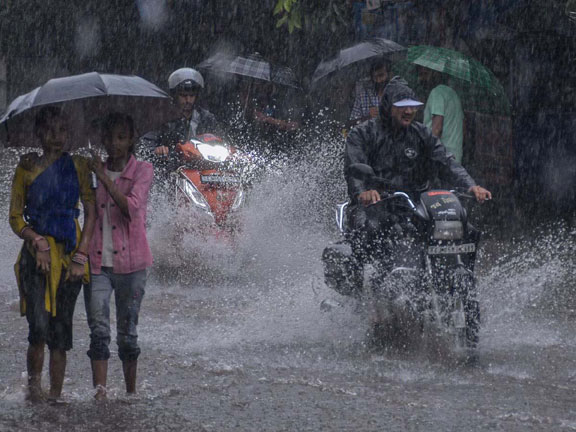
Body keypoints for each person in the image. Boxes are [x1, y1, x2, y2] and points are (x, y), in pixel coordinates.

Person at [344, 77, 490, 285]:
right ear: (388, 106)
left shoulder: (421, 133)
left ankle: (460, 280)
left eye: (412, 106)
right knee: (370, 231)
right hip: (376, 204)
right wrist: (363, 191)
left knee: (467, 230)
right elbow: (354, 169)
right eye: (402, 106)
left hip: (415, 204)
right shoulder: (363, 133)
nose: (409, 111)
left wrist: (471, 185)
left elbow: (446, 162)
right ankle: (363, 290)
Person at [9, 106, 96, 402]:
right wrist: (37, 241)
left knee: (61, 333)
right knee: (38, 327)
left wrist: (81, 257)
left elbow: (91, 213)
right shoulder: (26, 167)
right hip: (35, 258)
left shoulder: (80, 166)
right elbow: (15, 218)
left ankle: (55, 397)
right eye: (49, 130)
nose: (56, 137)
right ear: (38, 133)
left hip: (71, 258)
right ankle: (34, 392)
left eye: (62, 130)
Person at [85, 113, 154, 400]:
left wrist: (103, 177)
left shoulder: (143, 170)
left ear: (131, 140)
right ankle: (100, 394)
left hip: (132, 265)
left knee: (127, 332)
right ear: (102, 139)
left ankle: (130, 393)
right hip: (97, 264)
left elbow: (131, 209)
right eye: (110, 137)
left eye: (122, 137)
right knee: (99, 330)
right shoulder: (92, 171)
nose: (115, 143)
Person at [154, 68, 220, 157]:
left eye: (192, 95)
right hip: (174, 162)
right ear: (175, 96)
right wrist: (159, 149)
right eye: (183, 95)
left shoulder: (206, 117)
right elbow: (149, 141)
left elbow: (219, 139)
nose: (188, 100)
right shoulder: (164, 118)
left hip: (204, 161)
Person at [418, 67, 465, 163]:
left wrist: (427, 154)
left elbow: (436, 129)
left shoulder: (437, 93)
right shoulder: (453, 94)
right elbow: (464, 126)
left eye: (425, 74)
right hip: (455, 156)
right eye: (421, 74)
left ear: (435, 74)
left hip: (441, 157)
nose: (421, 78)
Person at [349, 57, 391, 125]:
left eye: (381, 75)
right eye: (375, 77)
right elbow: (352, 123)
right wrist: (368, 117)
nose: (378, 80)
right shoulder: (362, 96)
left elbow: (404, 120)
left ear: (388, 74)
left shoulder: (396, 94)